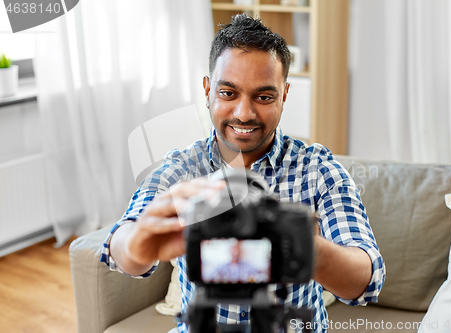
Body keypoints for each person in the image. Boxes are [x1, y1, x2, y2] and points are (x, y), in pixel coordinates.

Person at [100, 14, 385, 333]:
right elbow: (118, 249)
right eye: (228, 93)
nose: (244, 114)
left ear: (284, 94)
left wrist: (300, 244)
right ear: (208, 90)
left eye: (264, 97)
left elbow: (367, 281)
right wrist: (138, 242)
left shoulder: (317, 169)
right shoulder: (181, 169)